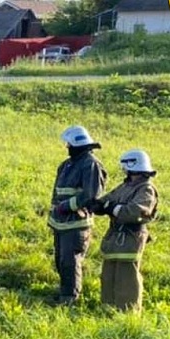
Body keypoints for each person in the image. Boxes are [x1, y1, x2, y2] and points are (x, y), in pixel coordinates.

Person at [89, 149, 159, 312]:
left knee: (126, 277)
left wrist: (113, 208)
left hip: (130, 238)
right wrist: (97, 205)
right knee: (109, 275)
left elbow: (135, 212)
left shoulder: (146, 189)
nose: (124, 170)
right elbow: (109, 200)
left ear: (133, 165)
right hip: (115, 237)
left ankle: (128, 314)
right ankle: (108, 310)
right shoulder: (126, 185)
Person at [48, 126, 107, 304]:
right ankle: (64, 291)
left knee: (70, 262)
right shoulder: (66, 165)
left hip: (76, 224)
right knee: (60, 260)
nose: (67, 147)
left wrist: (68, 206)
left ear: (77, 144)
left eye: (69, 144)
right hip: (60, 223)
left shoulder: (91, 165)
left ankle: (69, 298)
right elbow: (57, 193)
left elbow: (91, 194)